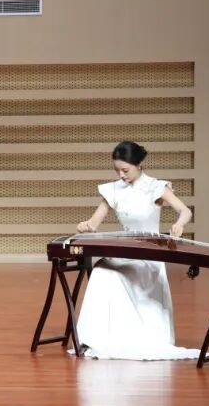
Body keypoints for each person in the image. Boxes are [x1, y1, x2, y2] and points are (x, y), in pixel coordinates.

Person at [72, 141, 199, 360]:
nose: (121, 175)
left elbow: (185, 211)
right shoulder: (113, 189)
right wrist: (87, 225)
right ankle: (97, 337)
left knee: (109, 271)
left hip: (149, 254)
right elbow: (94, 222)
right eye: (117, 170)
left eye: (125, 170)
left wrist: (179, 224)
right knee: (101, 268)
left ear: (139, 164)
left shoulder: (155, 187)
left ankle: (134, 335)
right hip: (126, 251)